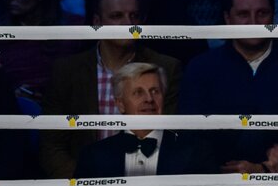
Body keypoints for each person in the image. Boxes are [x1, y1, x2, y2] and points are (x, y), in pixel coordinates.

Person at [179, 0, 278, 174]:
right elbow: (191, 138)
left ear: (274, 16)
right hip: (218, 183)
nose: (254, 23)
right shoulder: (200, 69)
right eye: (243, 15)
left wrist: (266, 167)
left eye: (262, 13)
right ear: (227, 19)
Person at [39, 0, 181, 179]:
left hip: (147, 181)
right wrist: (87, 185)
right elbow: (52, 146)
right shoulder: (67, 72)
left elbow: (172, 140)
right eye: (117, 16)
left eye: (134, 16)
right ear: (97, 22)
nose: (128, 24)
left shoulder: (165, 67)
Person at [74, 62, 217, 178]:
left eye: (155, 91)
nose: (149, 99)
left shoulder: (196, 153)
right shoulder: (93, 157)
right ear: (120, 104)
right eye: (138, 92)